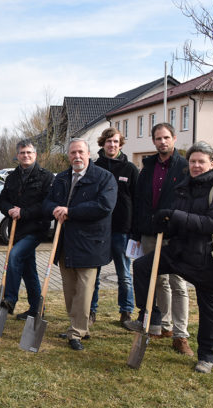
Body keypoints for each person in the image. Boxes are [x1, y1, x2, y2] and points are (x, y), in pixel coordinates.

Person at [132, 141, 213, 373]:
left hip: (206, 258)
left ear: (212, 163)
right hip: (179, 251)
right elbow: (176, 222)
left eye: (201, 161)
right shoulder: (184, 186)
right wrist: (164, 224)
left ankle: (206, 356)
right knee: (142, 267)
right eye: (192, 161)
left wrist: (175, 215)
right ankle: (149, 316)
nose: (196, 165)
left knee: (210, 309)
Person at [43, 138, 117, 351]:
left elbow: (104, 206)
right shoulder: (62, 178)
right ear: (68, 155)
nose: (77, 156)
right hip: (66, 241)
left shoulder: (104, 178)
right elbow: (48, 201)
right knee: (70, 289)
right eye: (73, 153)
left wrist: (71, 212)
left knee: (85, 289)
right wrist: (54, 209)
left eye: (80, 152)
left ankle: (76, 331)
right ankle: (76, 325)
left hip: (91, 242)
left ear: (88, 154)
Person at [126, 123, 192, 356]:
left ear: (174, 138)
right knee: (157, 280)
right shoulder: (148, 167)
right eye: (158, 138)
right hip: (149, 232)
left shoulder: (184, 168)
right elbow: (139, 201)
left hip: (174, 234)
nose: (162, 142)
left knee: (177, 282)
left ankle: (181, 335)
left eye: (166, 137)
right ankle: (163, 325)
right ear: (153, 141)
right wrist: (137, 232)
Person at [0, 141, 54, 320]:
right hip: (18, 230)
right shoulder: (12, 177)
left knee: (14, 256)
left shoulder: (45, 177)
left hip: (36, 229)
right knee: (29, 270)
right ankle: (36, 309)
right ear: (18, 156)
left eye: (29, 152)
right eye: (22, 153)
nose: (26, 155)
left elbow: (46, 204)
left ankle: (10, 299)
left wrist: (23, 212)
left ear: (35, 155)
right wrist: (9, 210)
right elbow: (2, 199)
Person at [90, 127, 139, 327]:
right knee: (93, 274)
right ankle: (91, 311)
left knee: (124, 274)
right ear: (103, 143)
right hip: (99, 230)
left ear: (120, 144)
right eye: (109, 141)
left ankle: (126, 312)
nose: (112, 145)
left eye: (116, 142)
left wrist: (135, 230)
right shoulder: (94, 168)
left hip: (122, 230)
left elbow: (137, 201)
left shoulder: (130, 169)